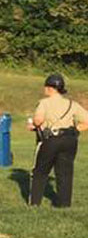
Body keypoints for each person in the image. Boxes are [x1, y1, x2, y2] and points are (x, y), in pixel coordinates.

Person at [27, 74, 88, 208]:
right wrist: (75, 130)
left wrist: (33, 125)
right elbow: (86, 121)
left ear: (49, 88)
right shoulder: (72, 104)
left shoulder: (44, 103)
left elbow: (38, 120)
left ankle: (35, 203)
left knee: (40, 171)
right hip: (70, 140)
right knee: (65, 173)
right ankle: (64, 204)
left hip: (51, 139)